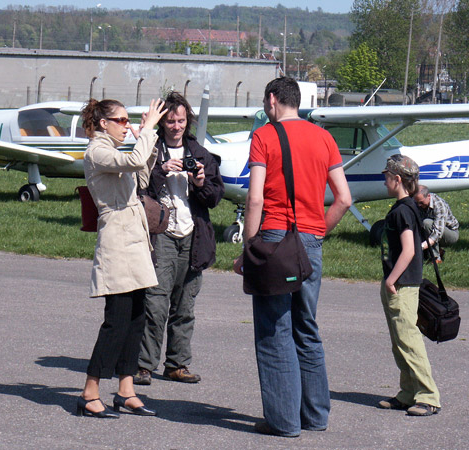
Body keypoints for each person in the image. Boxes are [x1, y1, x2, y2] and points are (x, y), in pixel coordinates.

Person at [233, 77, 351, 437]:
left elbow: (254, 199)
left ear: (272, 100)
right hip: (309, 241)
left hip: (273, 239)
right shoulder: (324, 138)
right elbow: (344, 198)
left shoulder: (264, 136)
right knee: (307, 328)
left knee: (274, 331)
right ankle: (315, 416)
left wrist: (248, 249)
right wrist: (317, 233)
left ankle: (283, 421)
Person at [78, 97, 166, 418]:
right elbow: (130, 162)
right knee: (116, 319)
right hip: (117, 238)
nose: (126, 126)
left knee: (137, 317)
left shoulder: (118, 150)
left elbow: (140, 175)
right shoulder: (96, 150)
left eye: (129, 121)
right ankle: (90, 390)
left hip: (135, 237)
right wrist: (148, 131)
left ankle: (126, 388)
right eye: (122, 120)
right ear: (104, 123)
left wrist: (145, 136)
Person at [133, 91, 225, 385]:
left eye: (181, 120)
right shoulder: (151, 151)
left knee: (185, 305)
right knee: (155, 303)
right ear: (162, 123)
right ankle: (144, 364)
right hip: (161, 235)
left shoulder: (200, 154)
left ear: (189, 121)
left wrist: (199, 183)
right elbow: (138, 189)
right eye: (171, 121)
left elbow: (214, 197)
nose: (176, 126)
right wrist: (161, 170)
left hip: (193, 236)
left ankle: (177, 363)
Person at [378, 155, 441, 416]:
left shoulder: (403, 210)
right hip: (401, 283)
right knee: (400, 341)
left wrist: (391, 279)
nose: (384, 182)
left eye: (386, 177)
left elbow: (408, 251)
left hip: (401, 284)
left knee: (409, 341)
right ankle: (407, 393)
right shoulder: (407, 207)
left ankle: (428, 396)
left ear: (397, 179)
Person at [413, 185, 459, 262]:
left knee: (427, 223)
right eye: (416, 202)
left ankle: (436, 258)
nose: (419, 205)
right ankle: (435, 251)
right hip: (432, 231)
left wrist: (420, 247)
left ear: (428, 196)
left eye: (421, 202)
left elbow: (437, 233)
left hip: (450, 233)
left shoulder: (439, 205)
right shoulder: (417, 201)